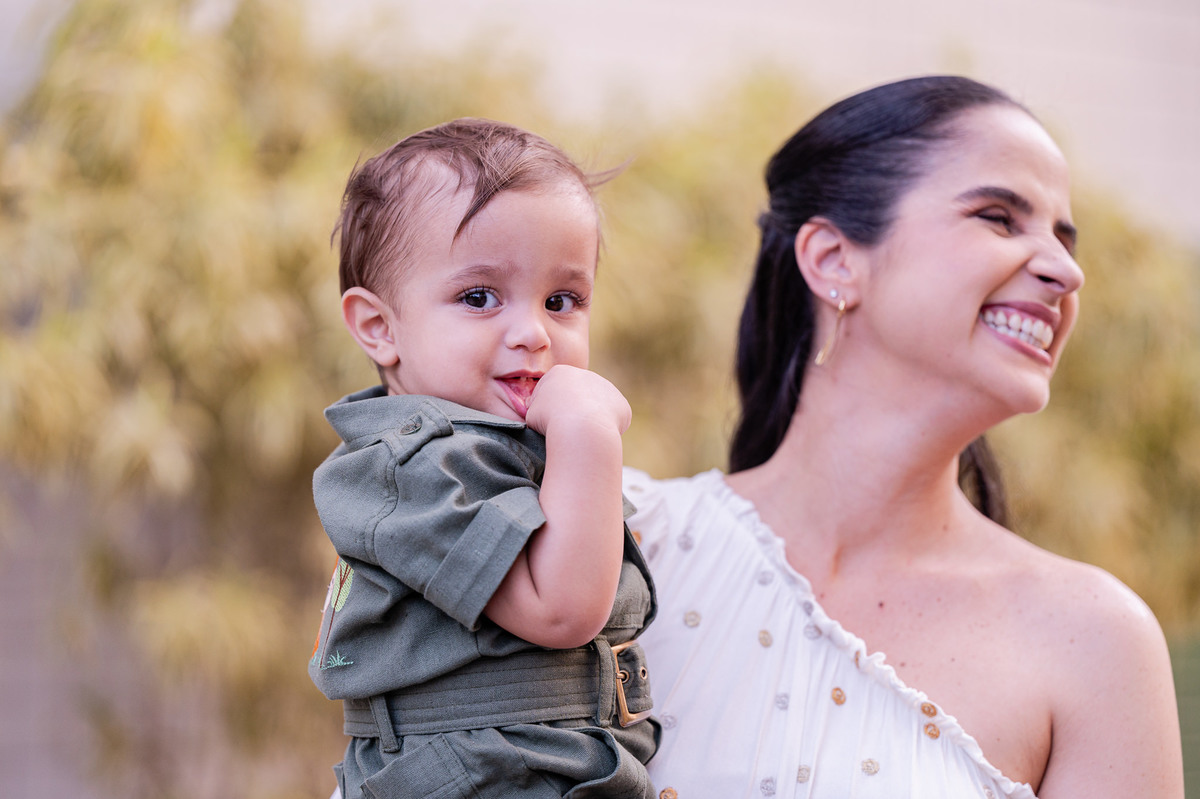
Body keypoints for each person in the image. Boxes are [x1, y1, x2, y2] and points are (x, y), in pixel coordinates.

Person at [623, 76, 1185, 798]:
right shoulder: (626, 549)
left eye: (1064, 238)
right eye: (999, 217)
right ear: (832, 259)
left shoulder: (1096, 642)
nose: (1065, 270)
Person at [309, 118, 659, 799]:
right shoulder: (408, 465)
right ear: (379, 327)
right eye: (479, 297)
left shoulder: (513, 442)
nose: (533, 333)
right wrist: (589, 434)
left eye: (562, 300)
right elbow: (561, 610)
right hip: (470, 776)